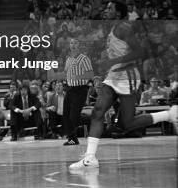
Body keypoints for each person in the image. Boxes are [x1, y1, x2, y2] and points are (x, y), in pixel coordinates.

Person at [69, 11, 178, 170]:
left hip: (128, 75)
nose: (106, 11)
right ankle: (90, 157)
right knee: (97, 112)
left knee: (127, 124)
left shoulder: (123, 28)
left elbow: (140, 52)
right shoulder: (111, 30)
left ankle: (169, 114)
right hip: (114, 75)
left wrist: (114, 60)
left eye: (110, 8)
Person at [63, 37, 93, 145]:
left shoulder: (84, 58)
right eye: (71, 43)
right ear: (69, 45)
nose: (73, 45)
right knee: (65, 114)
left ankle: (91, 119)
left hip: (80, 89)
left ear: (79, 45)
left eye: (75, 43)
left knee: (74, 116)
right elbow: (66, 73)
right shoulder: (68, 59)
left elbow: (90, 74)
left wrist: (78, 76)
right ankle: (72, 139)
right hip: (70, 89)